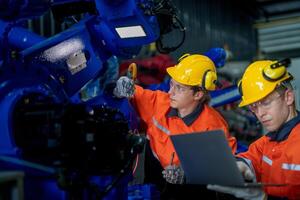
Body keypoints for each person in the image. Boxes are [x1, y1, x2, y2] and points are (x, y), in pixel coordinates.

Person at [113, 53, 237, 199]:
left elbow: (225, 170)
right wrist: (120, 86)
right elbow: (132, 93)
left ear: (198, 94)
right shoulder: (160, 103)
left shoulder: (213, 127)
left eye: (179, 88)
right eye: (172, 84)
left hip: (190, 186)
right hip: (155, 169)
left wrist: (187, 174)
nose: (170, 92)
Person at [207, 59, 300, 199]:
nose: (260, 113)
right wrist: (239, 167)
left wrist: (264, 198)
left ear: (288, 97)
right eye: (254, 107)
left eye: (266, 103)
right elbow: (250, 159)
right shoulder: (265, 143)